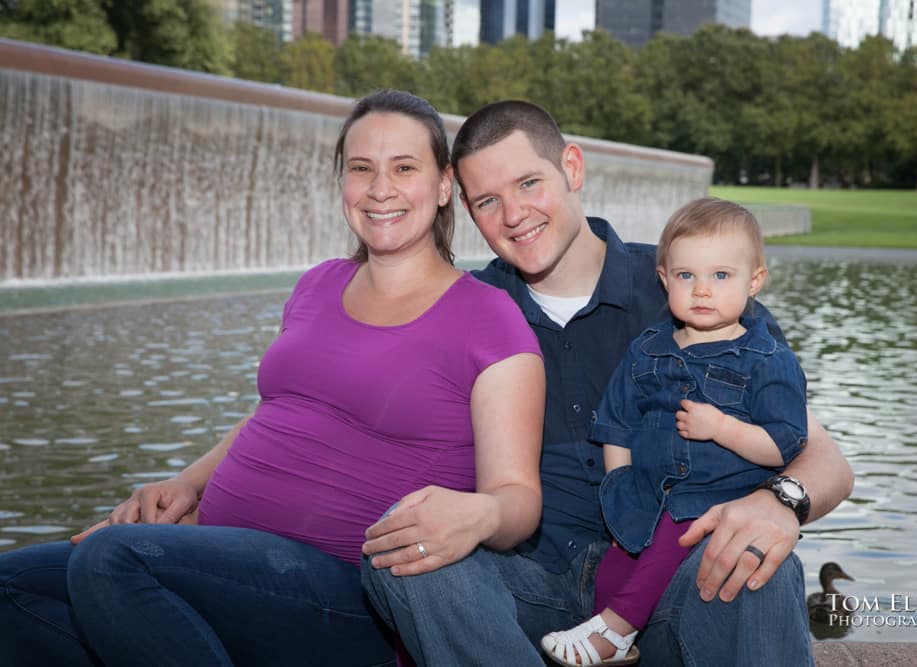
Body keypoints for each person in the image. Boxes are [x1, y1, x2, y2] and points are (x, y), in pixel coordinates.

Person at [0, 89, 545, 667]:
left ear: (441, 188)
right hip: (217, 554)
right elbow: (280, 410)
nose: (380, 189)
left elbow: (518, 500)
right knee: (12, 589)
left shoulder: (488, 318)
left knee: (111, 561)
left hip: (345, 593)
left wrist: (480, 513)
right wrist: (188, 483)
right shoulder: (318, 283)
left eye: (403, 168)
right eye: (361, 169)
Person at [362, 100, 854, 666]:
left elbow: (826, 462)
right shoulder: (464, 311)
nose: (515, 213)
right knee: (399, 557)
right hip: (526, 590)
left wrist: (780, 503)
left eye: (529, 183)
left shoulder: (693, 288)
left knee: (755, 557)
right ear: (468, 210)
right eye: (488, 201)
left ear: (571, 168)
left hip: (674, 576)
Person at [539, 197, 809, 666]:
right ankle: (612, 637)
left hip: (715, 500)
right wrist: (619, 481)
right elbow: (616, 421)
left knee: (671, 543)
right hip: (644, 496)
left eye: (721, 276)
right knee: (613, 573)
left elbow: (781, 444)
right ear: (664, 280)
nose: (702, 290)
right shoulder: (648, 350)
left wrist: (721, 427)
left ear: (755, 281)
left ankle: (617, 630)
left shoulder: (767, 361)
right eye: (687, 276)